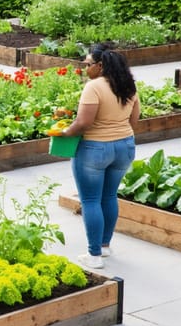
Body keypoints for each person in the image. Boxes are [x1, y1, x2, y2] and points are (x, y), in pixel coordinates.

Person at [58, 44, 140, 270]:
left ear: (100, 65)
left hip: (95, 149)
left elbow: (84, 123)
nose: (85, 68)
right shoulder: (128, 85)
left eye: (88, 64)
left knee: (91, 200)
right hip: (124, 147)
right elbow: (134, 121)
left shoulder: (94, 87)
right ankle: (104, 246)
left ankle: (94, 255)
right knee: (109, 196)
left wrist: (64, 133)